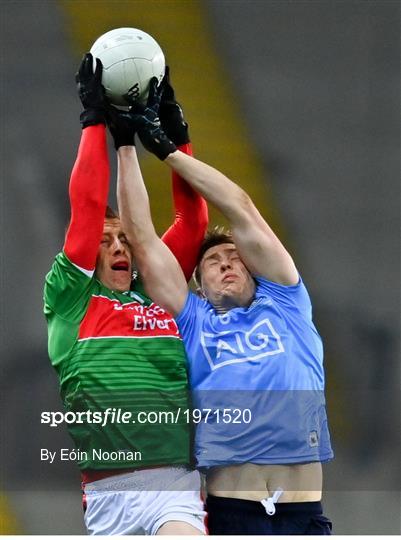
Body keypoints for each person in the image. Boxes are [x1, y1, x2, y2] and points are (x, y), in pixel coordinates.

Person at [114, 78, 334, 535]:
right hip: (233, 513)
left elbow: (241, 207)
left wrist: (170, 151)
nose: (227, 262)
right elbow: (141, 239)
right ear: (197, 282)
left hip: (302, 515)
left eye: (235, 256)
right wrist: (125, 144)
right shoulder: (193, 322)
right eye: (213, 261)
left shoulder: (287, 302)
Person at [43, 54, 208, 535]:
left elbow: (192, 223)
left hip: (173, 486)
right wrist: (94, 121)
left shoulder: (157, 289)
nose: (120, 247)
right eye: (105, 240)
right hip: (106, 496)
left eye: (126, 240)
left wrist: (179, 140)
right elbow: (88, 206)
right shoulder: (71, 296)